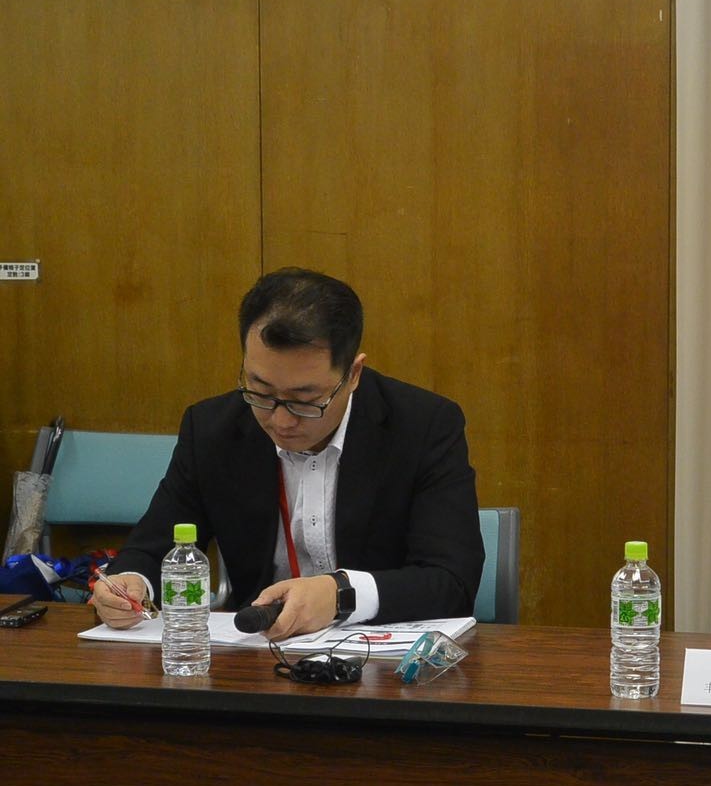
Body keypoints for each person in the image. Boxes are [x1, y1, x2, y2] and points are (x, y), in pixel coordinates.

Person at [93, 268, 484, 639]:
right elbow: (152, 548)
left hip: (384, 661)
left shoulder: (423, 426)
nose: (280, 421)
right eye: (260, 391)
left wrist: (341, 593)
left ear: (353, 375)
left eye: (305, 400)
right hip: (259, 655)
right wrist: (129, 584)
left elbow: (451, 581)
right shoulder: (213, 429)